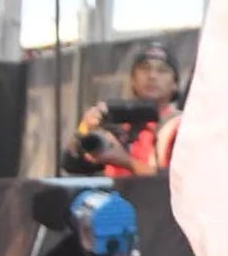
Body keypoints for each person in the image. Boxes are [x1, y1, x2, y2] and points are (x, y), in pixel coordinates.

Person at [63, 42, 183, 176]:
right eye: (145, 68)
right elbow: (71, 164)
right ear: (133, 79)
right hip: (117, 196)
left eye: (162, 70)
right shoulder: (117, 123)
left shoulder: (182, 126)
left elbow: (179, 183)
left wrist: (126, 161)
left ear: (175, 84)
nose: (152, 76)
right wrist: (85, 128)